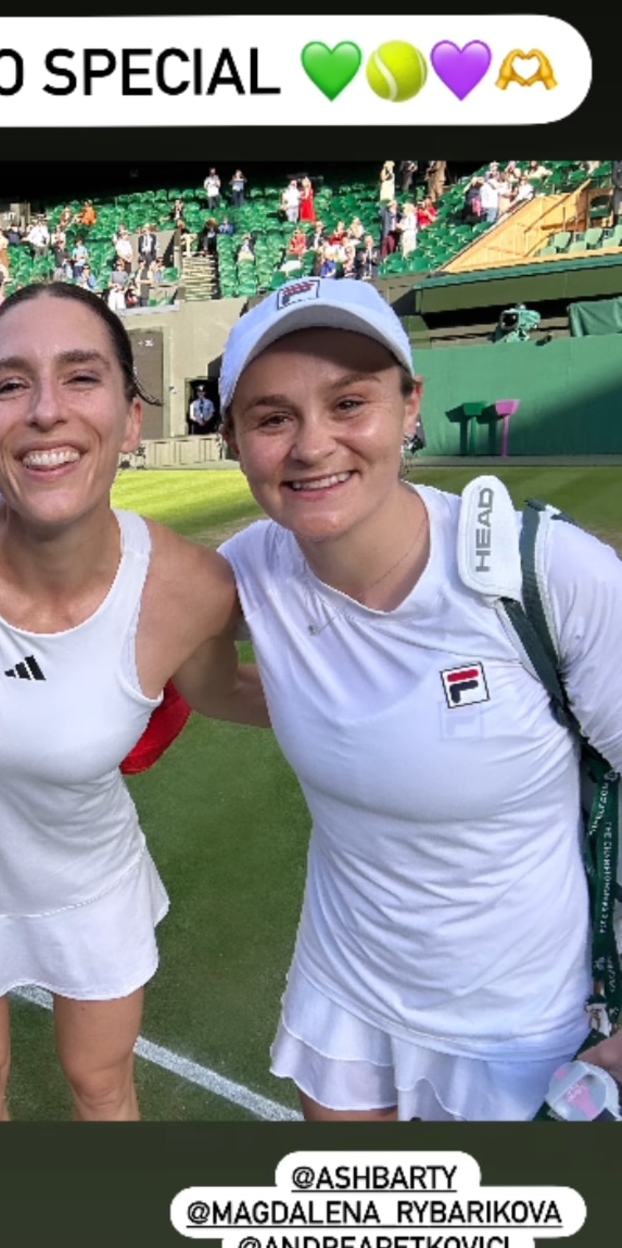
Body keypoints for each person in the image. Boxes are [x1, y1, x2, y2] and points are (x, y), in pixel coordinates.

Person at [214, 278, 622, 1121]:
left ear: (410, 407)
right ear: (236, 440)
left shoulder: (547, 573)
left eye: (350, 401)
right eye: (272, 416)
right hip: (345, 998)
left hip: (522, 1029)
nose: (312, 444)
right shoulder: (248, 568)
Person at [0, 283, 255, 1124]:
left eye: (81, 377)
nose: (44, 410)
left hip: (91, 878)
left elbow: (230, 691)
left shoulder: (190, 588)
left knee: (102, 1086)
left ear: (132, 415)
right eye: (10, 383)